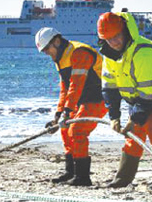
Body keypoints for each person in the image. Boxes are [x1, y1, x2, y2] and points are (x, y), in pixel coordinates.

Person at [97, 12, 152, 188]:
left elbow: (147, 97)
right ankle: (122, 179)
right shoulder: (109, 55)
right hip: (137, 95)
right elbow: (109, 89)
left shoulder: (145, 53)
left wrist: (134, 119)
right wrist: (114, 117)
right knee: (134, 134)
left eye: (117, 36)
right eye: (108, 39)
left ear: (125, 31)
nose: (114, 42)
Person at [35, 27, 108, 186]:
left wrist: (67, 111)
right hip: (81, 99)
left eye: (47, 48)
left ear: (57, 41)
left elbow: (77, 84)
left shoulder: (79, 52)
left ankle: (83, 177)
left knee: (77, 130)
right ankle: (71, 172)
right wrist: (58, 115)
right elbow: (65, 89)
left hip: (98, 98)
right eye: (44, 51)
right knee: (64, 129)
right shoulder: (60, 59)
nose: (47, 53)